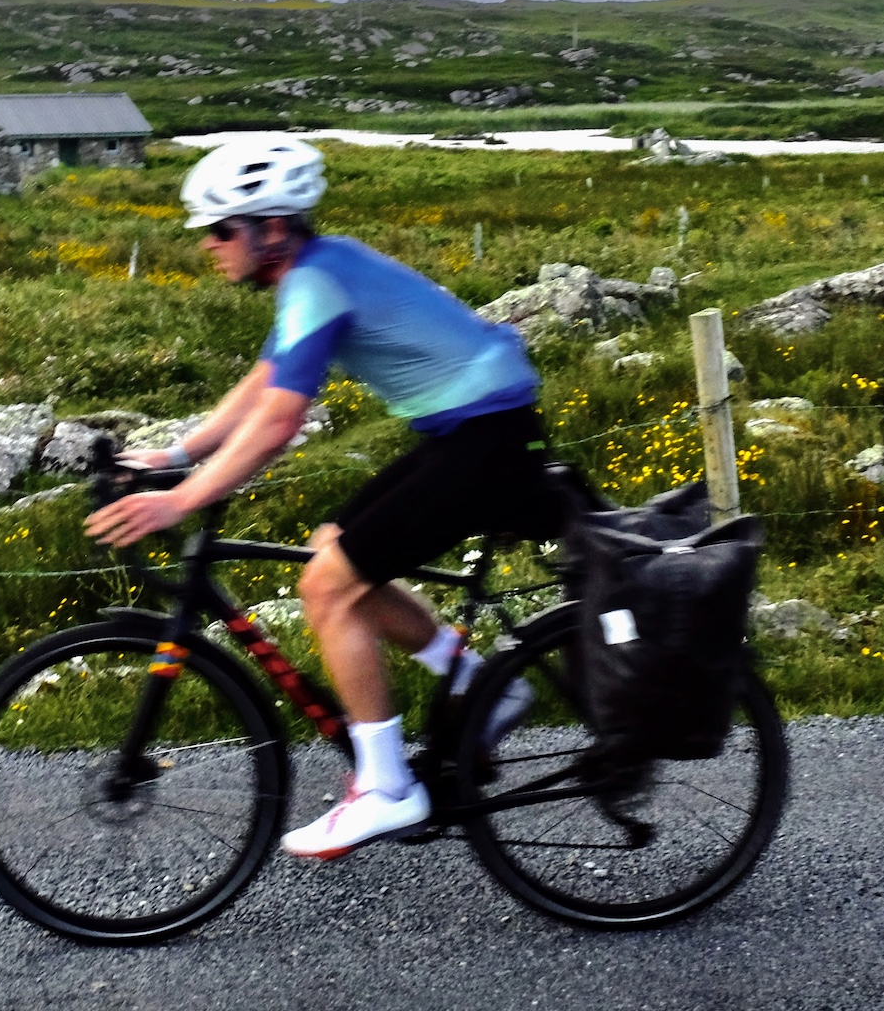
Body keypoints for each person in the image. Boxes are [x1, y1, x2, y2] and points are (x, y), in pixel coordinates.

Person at [84, 133, 562, 860]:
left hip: (487, 440)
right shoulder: (314, 269)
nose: (209, 246)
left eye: (219, 230)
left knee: (327, 588)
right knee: (334, 549)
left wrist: (180, 502)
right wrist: (179, 454)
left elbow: (279, 422)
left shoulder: (314, 280)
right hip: (476, 430)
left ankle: (386, 789)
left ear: (271, 229)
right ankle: (479, 682)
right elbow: (265, 379)